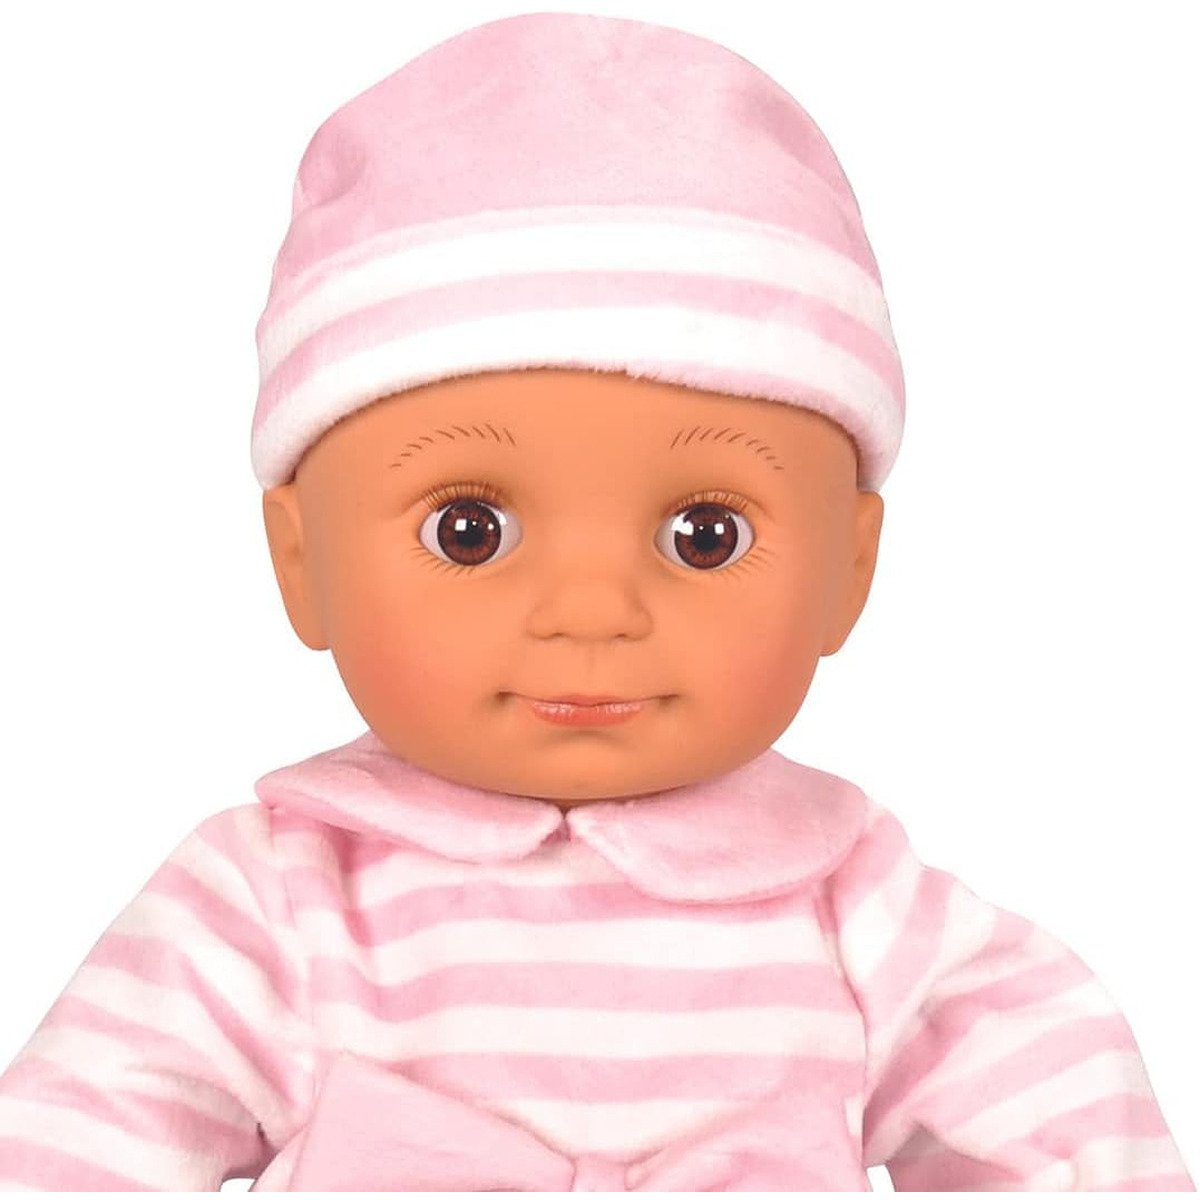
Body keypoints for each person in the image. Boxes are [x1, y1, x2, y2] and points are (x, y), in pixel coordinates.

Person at [0, 11, 1192, 1191]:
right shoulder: (274, 897)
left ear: (849, 571)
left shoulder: (860, 907)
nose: (592, 609)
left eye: (705, 537)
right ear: (301, 564)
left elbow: (1071, 1113)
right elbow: (72, 1142)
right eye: (470, 533)